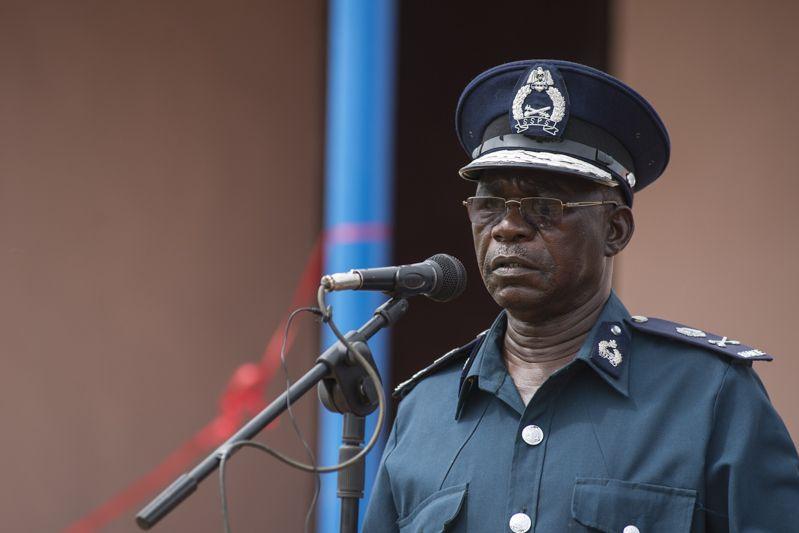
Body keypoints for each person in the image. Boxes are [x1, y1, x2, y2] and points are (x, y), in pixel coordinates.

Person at [362, 60, 799, 532]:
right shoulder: (424, 411)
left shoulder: (709, 396)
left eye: (545, 206)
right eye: (489, 205)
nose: (507, 227)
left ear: (615, 229)